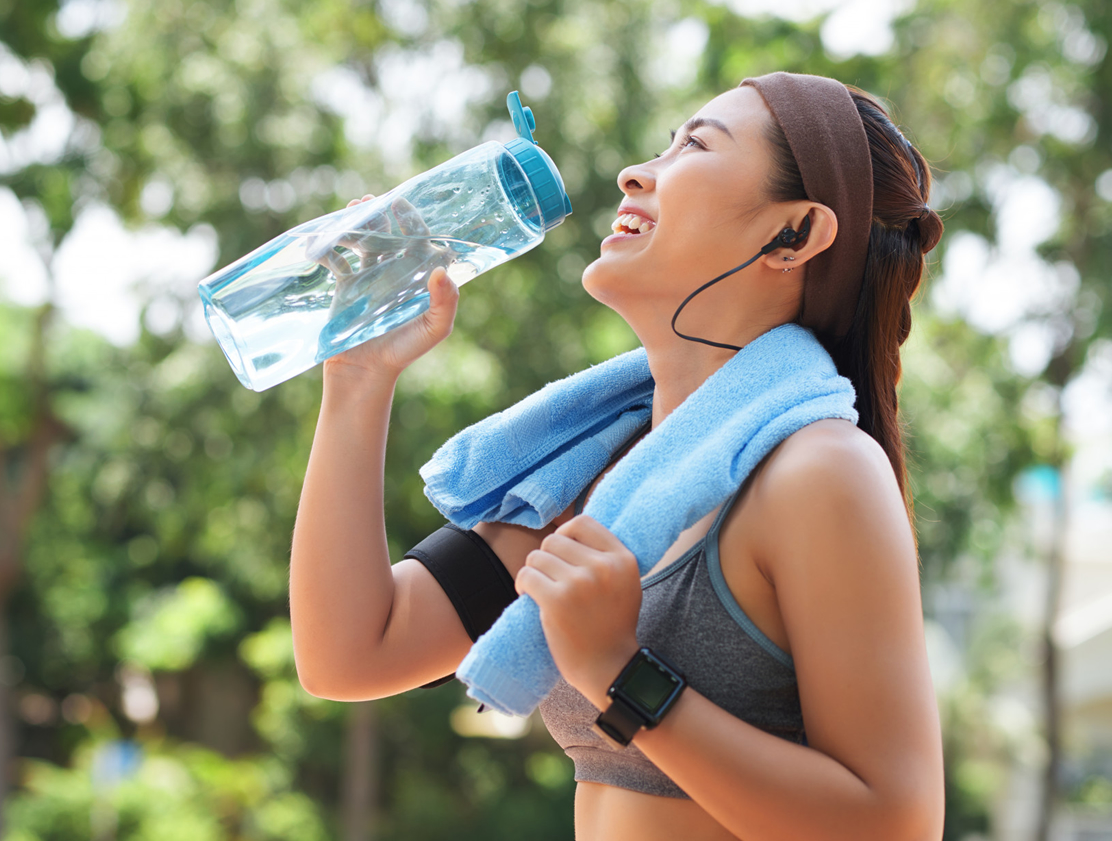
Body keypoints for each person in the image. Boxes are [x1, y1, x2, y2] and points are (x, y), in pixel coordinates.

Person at [289, 72, 946, 841]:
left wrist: (617, 671)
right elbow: (349, 653)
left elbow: (895, 822)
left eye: (695, 145)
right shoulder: (601, 474)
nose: (636, 172)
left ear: (794, 233)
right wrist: (358, 381)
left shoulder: (819, 470)